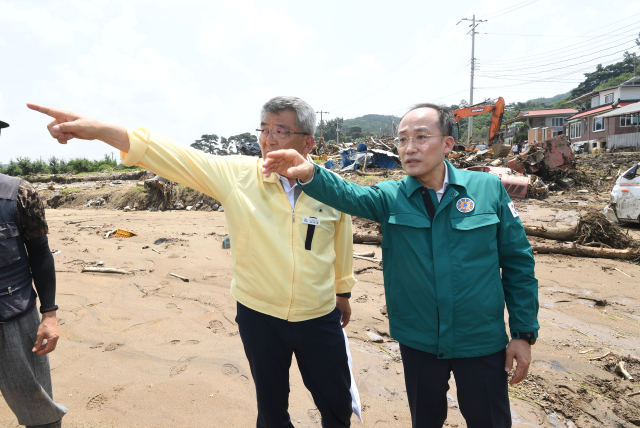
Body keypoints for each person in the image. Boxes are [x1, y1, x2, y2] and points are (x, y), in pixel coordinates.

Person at [28, 97, 358, 428]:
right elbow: (173, 156)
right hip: (260, 316)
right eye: (265, 129)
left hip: (318, 314)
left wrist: (342, 291)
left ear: (308, 141)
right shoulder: (239, 176)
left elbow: (342, 239)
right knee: (271, 411)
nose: (269, 139)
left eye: (281, 131)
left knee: (337, 404)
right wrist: (99, 129)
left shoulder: (330, 187)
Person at [262, 103, 539, 428]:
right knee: (426, 420)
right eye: (403, 139)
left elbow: (518, 263)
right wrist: (310, 172)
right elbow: (348, 195)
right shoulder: (390, 195)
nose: (409, 148)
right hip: (418, 342)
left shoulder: (488, 190)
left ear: (448, 143)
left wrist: (522, 334)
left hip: (481, 341)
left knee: (490, 421)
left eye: (421, 137)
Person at [0, 120, 68, 428]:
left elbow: (40, 254)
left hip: (14, 318)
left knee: (39, 411)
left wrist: (49, 315)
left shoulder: (19, 194)